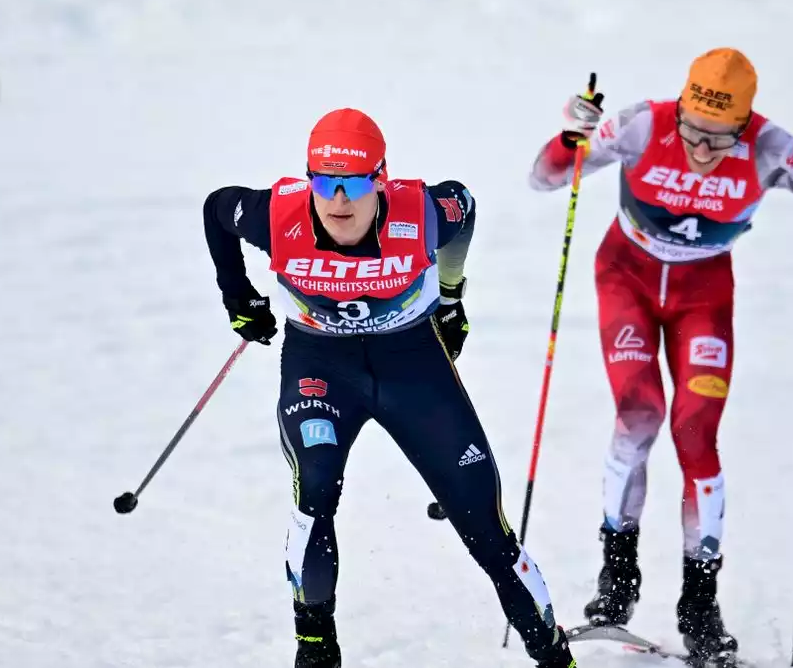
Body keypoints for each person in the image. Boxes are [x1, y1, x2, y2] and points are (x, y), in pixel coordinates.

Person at [526, 48, 793, 663]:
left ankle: (700, 605)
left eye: (721, 139)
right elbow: (548, 176)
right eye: (693, 131)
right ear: (681, 109)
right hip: (626, 281)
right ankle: (616, 582)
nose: (703, 149)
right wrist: (569, 133)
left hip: (702, 300)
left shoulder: (771, 148)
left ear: (745, 125)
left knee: (695, 436)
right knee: (638, 418)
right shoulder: (643, 124)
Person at [203, 108, 578, 668]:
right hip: (321, 368)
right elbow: (216, 210)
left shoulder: (424, 211)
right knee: (317, 492)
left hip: (413, 364)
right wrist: (239, 299)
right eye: (324, 182)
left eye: (353, 183)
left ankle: (554, 658)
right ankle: (316, 648)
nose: (337, 201)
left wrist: (451, 296)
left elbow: (466, 206)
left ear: (380, 179)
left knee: (486, 527)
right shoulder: (274, 214)